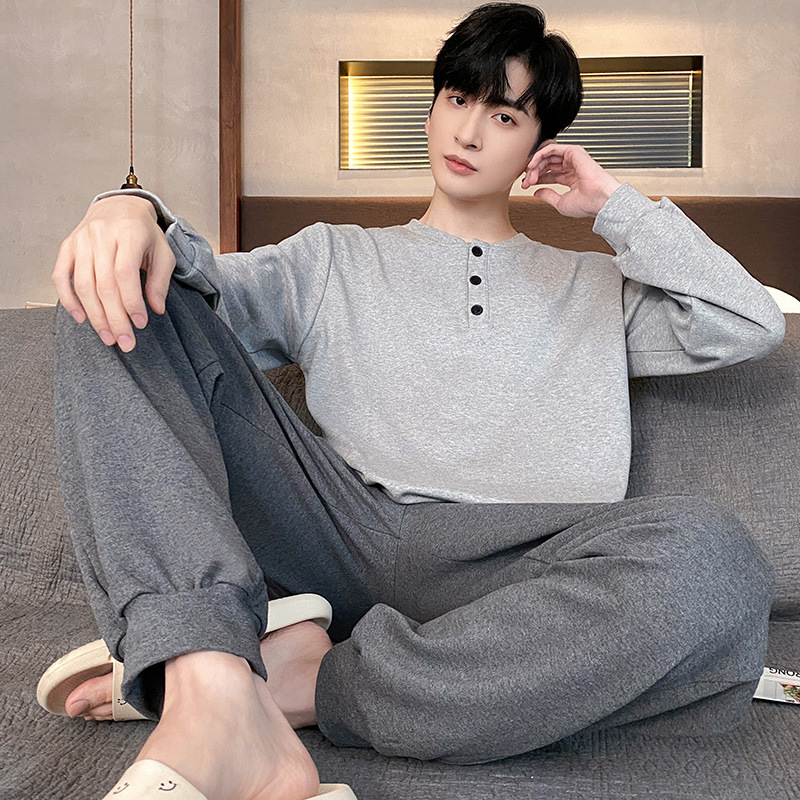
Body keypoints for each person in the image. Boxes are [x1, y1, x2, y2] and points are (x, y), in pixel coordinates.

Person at [44, 3, 785, 800]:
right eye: (458, 99)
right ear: (431, 109)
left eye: (504, 116)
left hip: (520, 574)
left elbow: (749, 322)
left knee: (713, 558)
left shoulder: (598, 289)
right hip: (340, 531)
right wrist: (126, 209)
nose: (468, 132)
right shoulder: (331, 257)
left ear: (539, 147)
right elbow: (186, 289)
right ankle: (205, 669)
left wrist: (613, 205)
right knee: (108, 294)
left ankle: (301, 681)